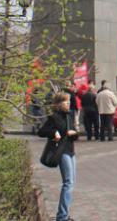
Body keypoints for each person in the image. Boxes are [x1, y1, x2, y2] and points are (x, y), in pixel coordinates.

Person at [38, 92, 79, 221]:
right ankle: (62, 217)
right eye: (66, 102)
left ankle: (63, 215)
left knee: (71, 182)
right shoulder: (54, 118)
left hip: (71, 151)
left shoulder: (69, 116)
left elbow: (75, 135)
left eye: (69, 102)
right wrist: (54, 132)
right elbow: (42, 131)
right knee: (68, 182)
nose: (69, 104)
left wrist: (73, 133)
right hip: (61, 152)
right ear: (59, 104)